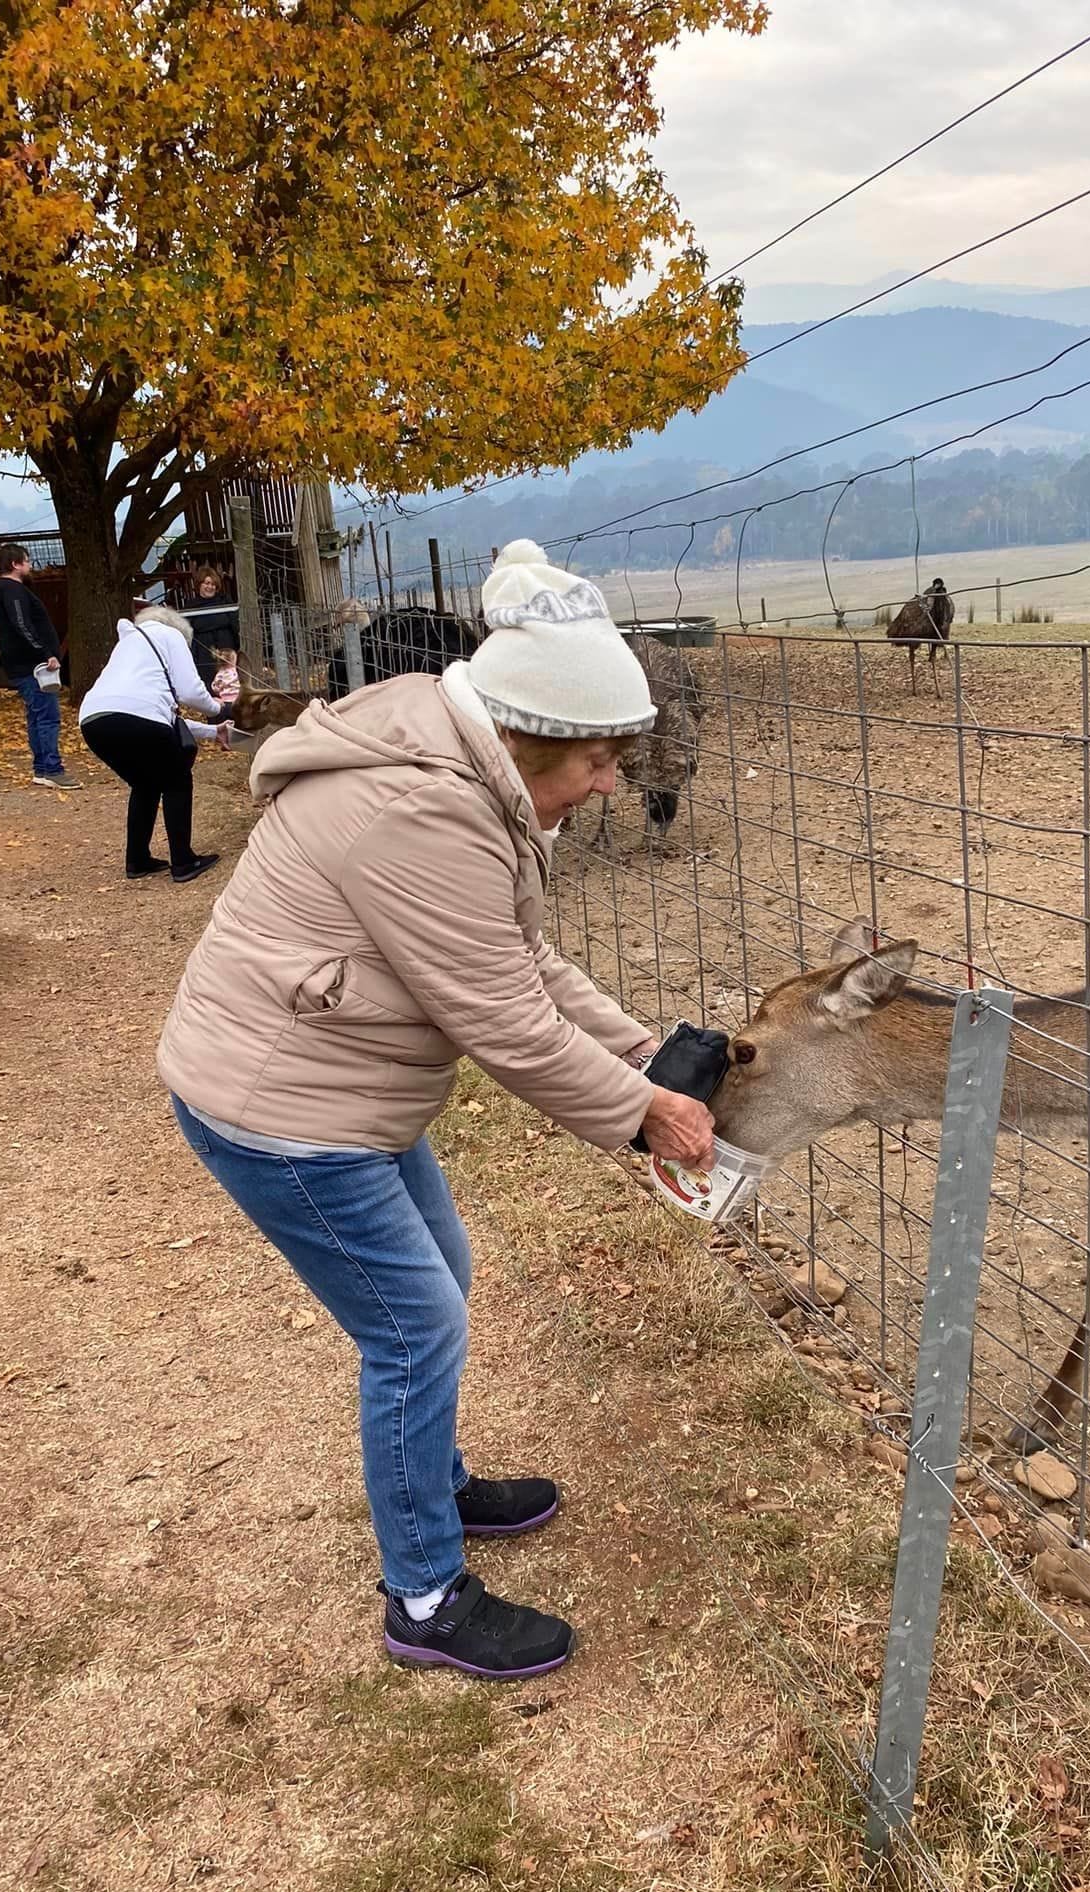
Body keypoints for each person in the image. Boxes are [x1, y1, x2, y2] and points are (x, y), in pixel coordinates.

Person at [157, 539, 717, 1681]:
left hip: (337, 1083)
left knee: (439, 1277)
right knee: (415, 1327)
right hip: (283, 1107)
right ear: (535, 738)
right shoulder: (423, 813)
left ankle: (435, 1478)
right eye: (604, 757)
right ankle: (422, 1592)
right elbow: (507, 1024)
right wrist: (644, 1115)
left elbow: (520, 962)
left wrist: (646, 1056)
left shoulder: (463, 767)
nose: (614, 779)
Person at [79, 604, 231, 882]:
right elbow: (189, 692)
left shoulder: (128, 647)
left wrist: (212, 732)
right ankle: (184, 861)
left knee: (145, 783)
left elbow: (160, 714)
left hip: (93, 720)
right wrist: (217, 709)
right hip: (137, 717)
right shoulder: (171, 636)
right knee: (177, 779)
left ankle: (137, 860)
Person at [0, 543, 78, 789]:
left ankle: (41, 767)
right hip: (32, 665)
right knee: (48, 717)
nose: (30, 566)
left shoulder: (6, 591)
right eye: (27, 561)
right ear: (15, 564)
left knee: (36, 715)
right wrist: (45, 653)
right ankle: (52, 768)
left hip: (24, 663)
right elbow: (22, 624)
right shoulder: (12, 591)